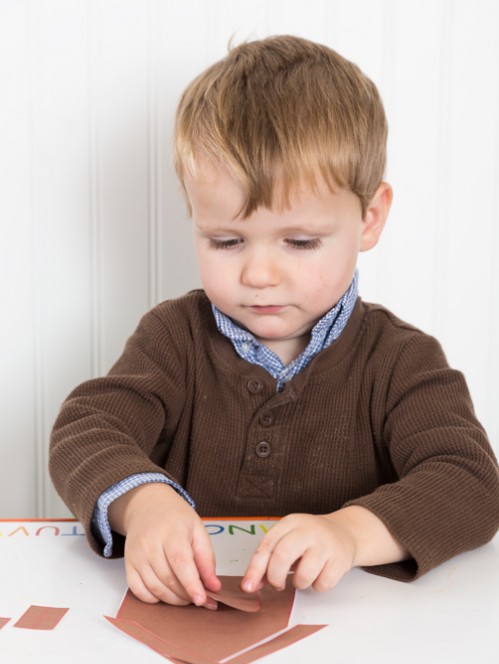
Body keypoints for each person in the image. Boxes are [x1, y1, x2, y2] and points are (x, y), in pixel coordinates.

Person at [49, 35, 499, 609]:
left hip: (355, 639)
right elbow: (86, 428)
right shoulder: (173, 337)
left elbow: (469, 481)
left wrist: (349, 532)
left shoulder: (402, 361)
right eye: (227, 240)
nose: (259, 274)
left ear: (370, 218)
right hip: (192, 630)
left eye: (301, 241)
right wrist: (145, 505)